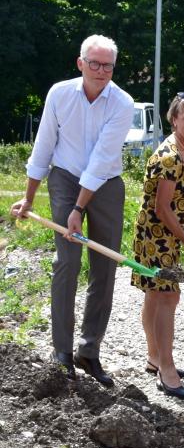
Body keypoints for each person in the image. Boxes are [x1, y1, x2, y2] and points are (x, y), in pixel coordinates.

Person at [10, 35, 134, 387]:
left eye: (107, 65)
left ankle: (88, 350)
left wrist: (81, 208)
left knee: (104, 266)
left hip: (106, 183)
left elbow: (101, 159)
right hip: (64, 178)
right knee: (67, 261)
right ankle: (62, 352)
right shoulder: (59, 93)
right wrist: (29, 198)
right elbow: (44, 144)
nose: (100, 71)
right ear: (80, 63)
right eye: (93, 63)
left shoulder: (122, 103)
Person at [131, 93, 184, 399]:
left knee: (157, 295)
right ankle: (167, 367)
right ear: (173, 119)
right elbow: (163, 208)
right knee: (168, 297)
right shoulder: (169, 156)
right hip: (155, 235)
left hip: (171, 233)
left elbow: (177, 205)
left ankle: (154, 358)